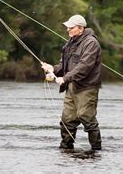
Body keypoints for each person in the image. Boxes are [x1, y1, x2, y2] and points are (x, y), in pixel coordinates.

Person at [41, 14, 102, 151]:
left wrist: (64, 78)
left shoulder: (91, 43)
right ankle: (65, 149)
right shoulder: (70, 43)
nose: (68, 30)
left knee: (87, 118)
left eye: (71, 27)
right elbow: (64, 65)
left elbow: (84, 67)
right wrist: (53, 69)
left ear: (80, 29)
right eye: (67, 27)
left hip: (86, 88)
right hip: (71, 87)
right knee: (67, 120)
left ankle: (96, 151)